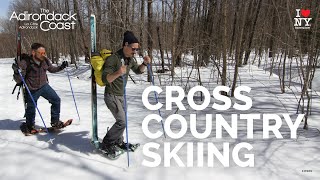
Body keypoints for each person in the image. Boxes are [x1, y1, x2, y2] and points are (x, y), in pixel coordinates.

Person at [100, 31, 151, 155]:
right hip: (112, 95)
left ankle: (118, 141)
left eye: (137, 49)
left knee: (124, 121)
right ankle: (107, 143)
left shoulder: (130, 59)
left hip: (121, 95)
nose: (135, 52)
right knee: (121, 122)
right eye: (133, 49)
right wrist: (118, 72)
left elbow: (138, 71)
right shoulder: (114, 59)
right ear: (125, 45)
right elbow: (104, 79)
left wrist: (144, 63)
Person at [19, 43, 68, 134]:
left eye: (44, 52)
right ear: (33, 52)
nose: (43, 54)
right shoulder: (25, 62)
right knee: (31, 108)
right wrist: (17, 72)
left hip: (44, 86)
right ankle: (30, 126)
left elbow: (52, 69)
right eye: (40, 52)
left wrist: (61, 67)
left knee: (56, 100)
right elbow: (18, 79)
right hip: (32, 89)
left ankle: (55, 122)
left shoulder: (45, 60)